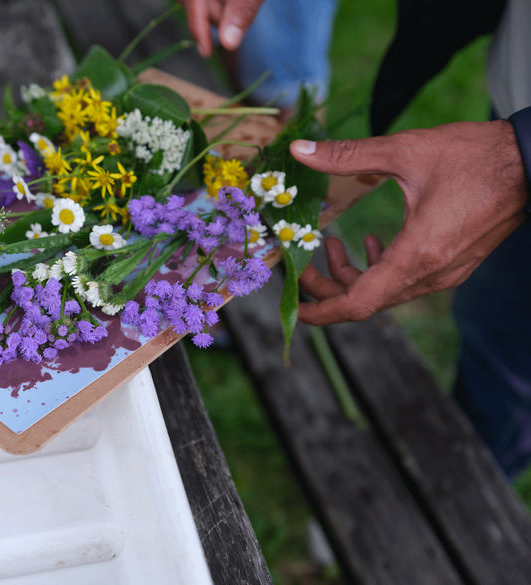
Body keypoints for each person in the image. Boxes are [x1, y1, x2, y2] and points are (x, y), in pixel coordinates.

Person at [181, 0, 531, 479]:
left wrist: (521, 162)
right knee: (490, 325)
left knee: (514, 363)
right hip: (518, 88)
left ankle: (467, 493)